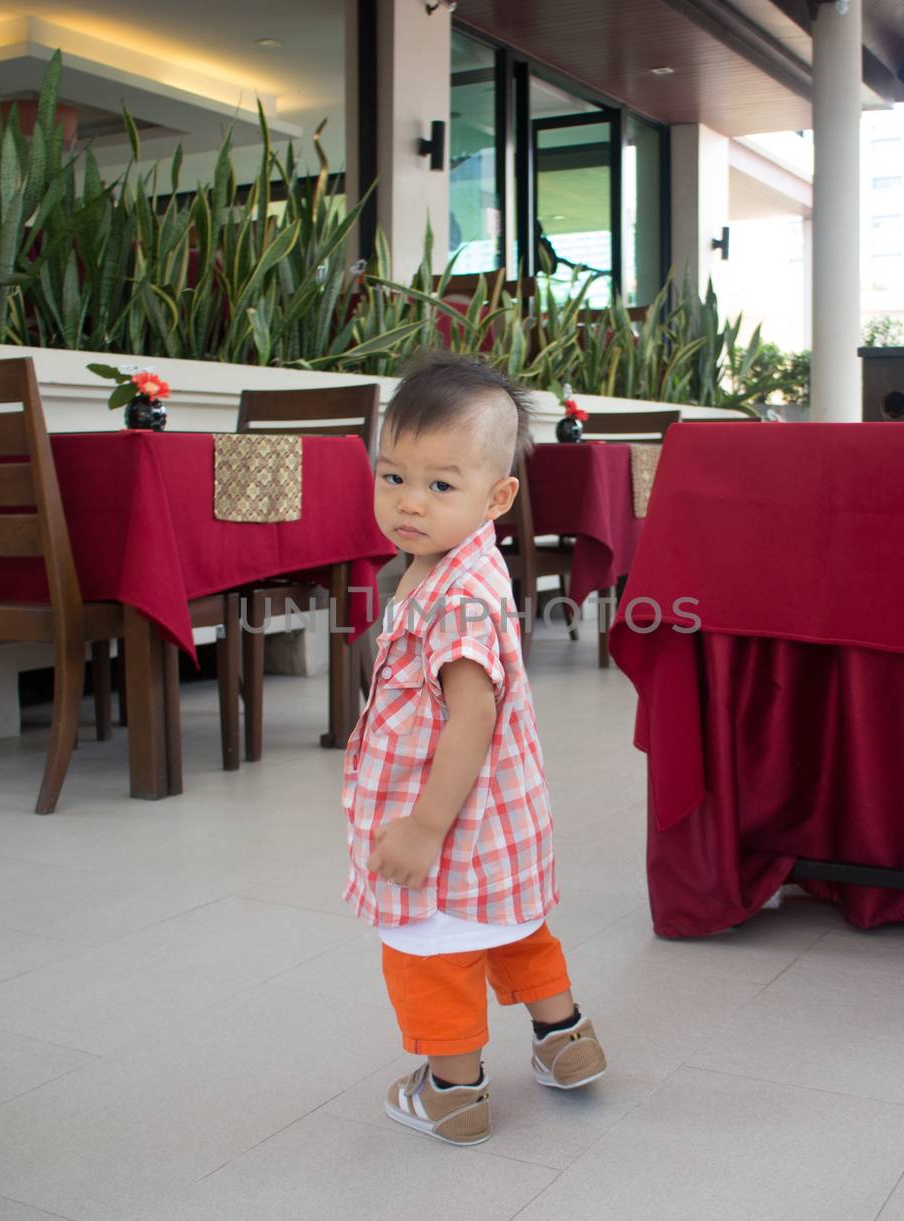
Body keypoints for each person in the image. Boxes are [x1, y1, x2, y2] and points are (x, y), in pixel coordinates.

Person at [342, 351, 607, 1147]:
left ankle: (454, 1092)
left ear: (497, 497)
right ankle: (566, 1038)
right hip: (501, 825)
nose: (409, 503)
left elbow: (472, 718)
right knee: (516, 928)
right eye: (393, 477)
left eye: (439, 484)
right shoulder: (452, 559)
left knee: (433, 954)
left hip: (450, 825)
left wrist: (423, 826)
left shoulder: (457, 598)